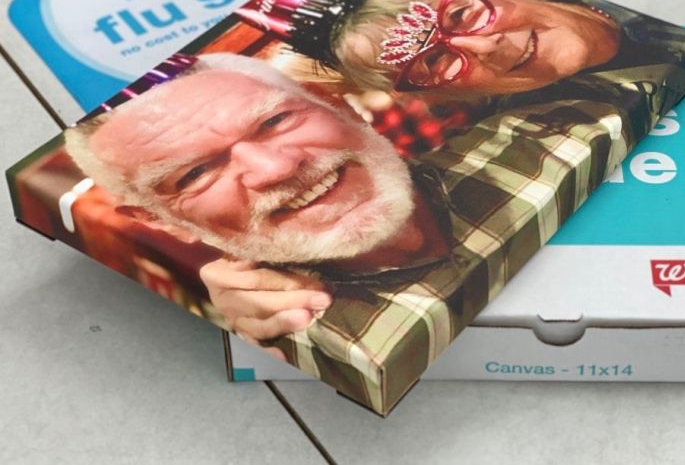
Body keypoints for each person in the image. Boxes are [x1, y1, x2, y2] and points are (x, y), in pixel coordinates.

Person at [64, 52, 636, 412]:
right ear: (161, 222)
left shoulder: (545, 135)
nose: (278, 169)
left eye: (275, 120)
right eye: (194, 173)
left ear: (342, 107)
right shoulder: (296, 339)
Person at [234, 0, 685, 136]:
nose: (488, 46)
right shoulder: (534, 134)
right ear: (438, 96)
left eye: (463, 15)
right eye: (435, 60)